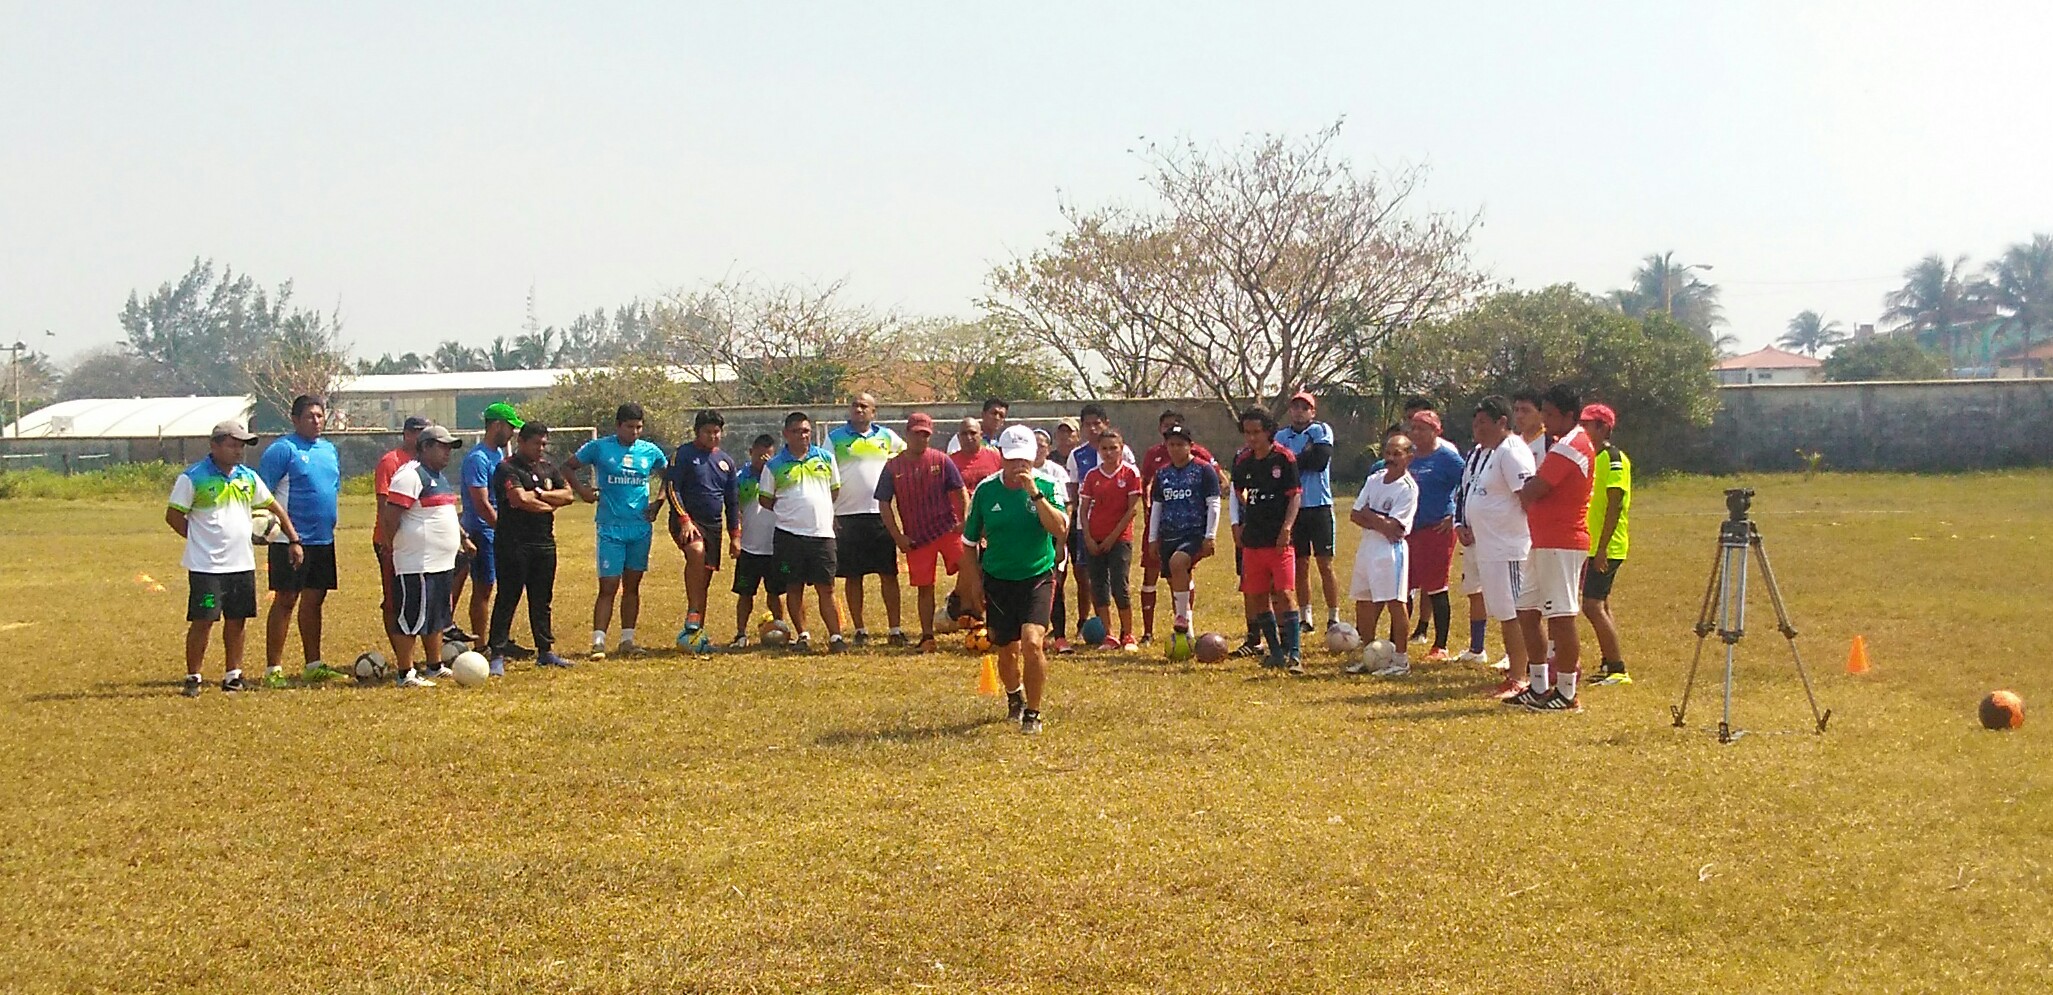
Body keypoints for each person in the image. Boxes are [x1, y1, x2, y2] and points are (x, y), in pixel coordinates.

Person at [167, 421, 303, 696]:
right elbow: (173, 516)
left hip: (241, 565)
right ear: (214, 445)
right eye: (232, 445)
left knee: (237, 619)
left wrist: (294, 538)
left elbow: (272, 506)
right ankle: (193, 676)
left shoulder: (247, 477)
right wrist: (200, 541)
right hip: (207, 569)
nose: (238, 451)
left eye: (241, 446)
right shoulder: (193, 477)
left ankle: (233, 675)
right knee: (204, 619)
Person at [960, 425, 1069, 734]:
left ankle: (1033, 713)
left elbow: (1060, 529)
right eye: (1012, 460)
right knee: (1007, 650)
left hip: (1037, 575)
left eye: (1025, 459)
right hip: (998, 578)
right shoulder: (986, 490)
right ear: (1002, 458)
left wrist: (1033, 494)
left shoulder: (1048, 485)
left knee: (1033, 643)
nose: (1019, 466)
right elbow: (968, 543)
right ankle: (1014, 696)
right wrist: (975, 583)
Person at [1510, 384, 1597, 713]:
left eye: (1549, 414)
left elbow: (1534, 490)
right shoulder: (1562, 444)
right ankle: (1538, 684)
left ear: (1569, 416)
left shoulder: (1570, 446)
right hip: (1543, 541)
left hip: (1562, 541)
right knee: (1527, 612)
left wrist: (1525, 488)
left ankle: (1566, 691)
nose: (1544, 421)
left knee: (1561, 615)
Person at [564, 404, 669, 660]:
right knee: (609, 585)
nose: (635, 432)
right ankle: (598, 642)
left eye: (639, 427)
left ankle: (627, 639)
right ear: (618, 426)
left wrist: (658, 502)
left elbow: (670, 476)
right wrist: (583, 490)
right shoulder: (599, 447)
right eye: (630, 427)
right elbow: (567, 467)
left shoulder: (650, 451)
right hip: (610, 527)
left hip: (640, 527)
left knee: (633, 585)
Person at [256, 395, 343, 685]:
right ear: (294, 420)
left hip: (322, 539)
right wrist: (286, 535)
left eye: (320, 415)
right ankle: (273, 670)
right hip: (290, 541)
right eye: (309, 416)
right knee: (286, 599)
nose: (316, 421)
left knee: (315, 599)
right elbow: (263, 496)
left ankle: (313, 663)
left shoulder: (329, 450)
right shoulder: (282, 450)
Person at [380, 425, 475, 688]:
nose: (447, 453)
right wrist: (395, 546)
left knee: (436, 616)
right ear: (424, 447)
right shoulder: (410, 476)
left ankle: (434, 665)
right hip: (416, 562)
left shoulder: (439, 477)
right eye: (442, 447)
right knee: (411, 617)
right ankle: (405, 672)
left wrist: (463, 538)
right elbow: (391, 517)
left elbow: (443, 514)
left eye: (449, 448)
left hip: (441, 562)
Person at [1458, 396, 1538, 699]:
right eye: (1474, 423)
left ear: (1501, 422)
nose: (1476, 429)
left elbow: (1527, 497)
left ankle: (1521, 676)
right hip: (1489, 547)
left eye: (1483, 423)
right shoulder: (1489, 453)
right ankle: (1515, 671)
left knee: (1515, 612)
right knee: (1504, 612)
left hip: (1510, 547)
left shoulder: (1512, 451)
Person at [876, 413, 968, 653]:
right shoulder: (892, 467)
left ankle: (976, 622)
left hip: (947, 530)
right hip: (917, 538)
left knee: (972, 572)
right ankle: (927, 636)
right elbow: (883, 503)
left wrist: (964, 521)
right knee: (924, 587)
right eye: (917, 433)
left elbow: (960, 491)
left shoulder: (941, 460)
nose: (921, 439)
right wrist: (898, 537)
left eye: (926, 434)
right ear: (907, 434)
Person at [488, 421, 575, 673]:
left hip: (544, 543)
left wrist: (537, 494)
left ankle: (545, 651)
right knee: (508, 598)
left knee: (542, 599)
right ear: (521, 442)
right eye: (536, 443)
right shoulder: (506, 468)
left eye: (544, 444)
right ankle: (497, 653)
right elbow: (518, 499)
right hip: (513, 544)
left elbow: (568, 495)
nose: (540, 448)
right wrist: (548, 501)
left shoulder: (548, 468)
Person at [761, 411, 847, 654]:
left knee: (827, 588)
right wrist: (791, 512)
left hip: (822, 535)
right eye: (797, 431)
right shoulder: (774, 465)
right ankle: (803, 636)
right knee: (793, 585)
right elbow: (766, 500)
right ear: (786, 434)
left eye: (806, 431)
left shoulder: (827, 459)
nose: (803, 435)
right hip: (789, 537)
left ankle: (836, 636)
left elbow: (834, 492)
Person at [828, 393, 909, 646]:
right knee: (853, 576)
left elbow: (907, 457)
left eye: (864, 406)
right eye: (855, 405)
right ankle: (860, 629)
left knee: (888, 574)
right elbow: (827, 473)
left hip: (879, 515)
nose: (859, 410)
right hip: (847, 516)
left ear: (874, 412)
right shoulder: (835, 438)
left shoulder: (886, 437)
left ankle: (895, 629)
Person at [1230, 408, 1304, 673]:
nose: (1252, 438)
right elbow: (1237, 490)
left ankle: (1294, 653)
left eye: (1257, 432)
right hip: (1253, 541)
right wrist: (1243, 518)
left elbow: (1295, 495)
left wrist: (1286, 527)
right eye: (1247, 433)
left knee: (1284, 593)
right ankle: (1274, 652)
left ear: (1269, 431)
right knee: (1258, 596)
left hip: (1279, 540)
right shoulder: (1243, 461)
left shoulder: (1284, 458)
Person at [1136, 409, 1217, 643]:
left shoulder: (1202, 470)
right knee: (1175, 578)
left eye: (1180, 444)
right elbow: (1157, 507)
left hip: (1192, 533)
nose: (1175, 449)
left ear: (1190, 445)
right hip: (1168, 534)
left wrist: (1209, 535)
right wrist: (1153, 538)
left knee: (1178, 563)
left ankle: (1181, 616)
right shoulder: (1163, 474)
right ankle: (1187, 632)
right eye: (1171, 444)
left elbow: (1213, 503)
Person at [663, 409, 742, 645]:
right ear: (697, 432)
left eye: (716, 432)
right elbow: (672, 488)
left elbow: (733, 502)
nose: (713, 436)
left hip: (714, 526)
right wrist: (684, 519)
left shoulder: (726, 462)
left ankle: (696, 635)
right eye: (708, 432)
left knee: (704, 580)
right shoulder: (683, 454)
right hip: (686, 520)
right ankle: (693, 611)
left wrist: (735, 536)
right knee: (695, 552)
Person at [1345, 432, 1418, 676]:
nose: (1390, 458)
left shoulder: (1407, 488)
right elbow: (1355, 515)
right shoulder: (1375, 479)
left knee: (1395, 603)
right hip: (1368, 547)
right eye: (1387, 452)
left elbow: (1394, 529)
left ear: (1409, 457)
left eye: (1397, 453)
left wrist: (1371, 515)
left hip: (1390, 552)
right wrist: (1377, 520)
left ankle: (1400, 660)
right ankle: (1370, 654)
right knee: (1364, 601)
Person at [1274, 392, 1343, 634]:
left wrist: (1292, 460)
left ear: (1313, 411)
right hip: (1294, 509)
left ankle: (1334, 617)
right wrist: (1301, 457)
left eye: (1305, 408)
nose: (1299, 412)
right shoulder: (1281, 436)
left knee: (1325, 563)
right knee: (1300, 565)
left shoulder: (1321, 430)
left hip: (1319, 505)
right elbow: (1279, 467)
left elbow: (1320, 460)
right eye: (1295, 407)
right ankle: (1306, 617)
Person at [457, 403, 520, 656]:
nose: (512, 432)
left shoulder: (498, 456)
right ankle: (481, 644)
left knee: (502, 585)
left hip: (498, 529)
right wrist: (502, 529)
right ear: (497, 425)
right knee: (484, 587)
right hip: (482, 530)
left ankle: (499, 639)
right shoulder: (478, 458)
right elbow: (481, 503)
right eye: (510, 426)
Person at [1403, 410, 1467, 662]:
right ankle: (1397, 640)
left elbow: (1468, 484)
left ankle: (1440, 645)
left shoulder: (1447, 458)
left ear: (1436, 431)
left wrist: (1453, 516)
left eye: (1423, 428)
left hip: (1436, 530)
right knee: (1403, 588)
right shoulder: (1408, 456)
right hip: (1408, 530)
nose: (1416, 433)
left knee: (1436, 588)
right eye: (1414, 428)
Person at [1065, 404, 1133, 636]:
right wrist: (1083, 531)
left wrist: (1116, 533)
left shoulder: (1127, 463)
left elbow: (1132, 505)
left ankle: (1127, 632)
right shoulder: (1078, 456)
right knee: (1092, 580)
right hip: (1089, 531)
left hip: (1118, 531)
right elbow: (1076, 496)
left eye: (1097, 423)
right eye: (1087, 424)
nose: (1092, 428)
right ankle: (1105, 631)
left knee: (1119, 583)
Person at [1578, 403, 1633, 686]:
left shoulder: (1613, 459)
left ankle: (1617, 668)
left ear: (1604, 428)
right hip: (1590, 545)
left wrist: (1602, 548)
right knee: (1601, 604)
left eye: (1588, 424)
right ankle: (1608, 661)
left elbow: (1615, 502)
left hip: (1606, 547)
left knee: (1592, 605)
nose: (1583, 429)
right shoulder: (1591, 457)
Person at [1078, 428, 1143, 651]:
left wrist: (1111, 538)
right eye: (1104, 448)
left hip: (1119, 539)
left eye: (1113, 448)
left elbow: (1131, 510)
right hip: (1094, 538)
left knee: (1119, 584)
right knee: (1098, 586)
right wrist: (1087, 536)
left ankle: (1128, 634)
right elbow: (1083, 508)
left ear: (1121, 449)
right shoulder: (1092, 476)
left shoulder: (1130, 474)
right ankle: (1109, 634)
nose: (1108, 452)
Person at [373, 416, 430, 646]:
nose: (421, 436)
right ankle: (401, 654)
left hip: (418, 543)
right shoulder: (392, 461)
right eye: (417, 432)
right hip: (391, 540)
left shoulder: (426, 462)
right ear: (406, 434)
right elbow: (383, 505)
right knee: (394, 598)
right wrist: (388, 542)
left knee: (418, 596)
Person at [729, 434, 785, 647]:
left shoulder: (778, 474)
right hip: (749, 549)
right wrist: (735, 537)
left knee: (776, 592)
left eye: (768, 455)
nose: (763, 459)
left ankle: (780, 628)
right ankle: (741, 633)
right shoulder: (740, 477)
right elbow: (734, 509)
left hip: (775, 546)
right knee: (745, 593)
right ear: (750, 452)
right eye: (759, 454)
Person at [1030, 429, 1075, 653]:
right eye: (1034, 444)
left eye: (1042, 445)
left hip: (1052, 539)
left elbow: (1067, 508)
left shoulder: (1056, 472)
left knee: (1055, 588)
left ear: (1049, 448)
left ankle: (1060, 636)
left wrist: (1060, 543)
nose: (1038, 449)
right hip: (1028, 543)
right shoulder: (1018, 471)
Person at [949, 417, 1003, 493]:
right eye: (964, 434)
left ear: (981, 435)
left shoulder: (995, 457)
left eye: (973, 433)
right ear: (958, 437)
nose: (968, 437)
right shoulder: (950, 462)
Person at [946, 397, 1011, 454]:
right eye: (994, 413)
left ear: (1003, 422)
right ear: (983, 415)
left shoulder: (1000, 445)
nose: (997, 418)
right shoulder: (963, 437)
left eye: (1001, 415)